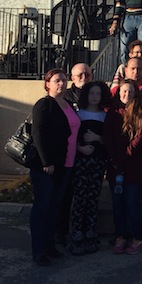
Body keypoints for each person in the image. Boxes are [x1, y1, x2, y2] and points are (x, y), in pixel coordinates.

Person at [30, 68, 81, 266]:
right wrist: (46, 162)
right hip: (47, 167)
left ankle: (50, 246)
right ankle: (39, 251)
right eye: (56, 80)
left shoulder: (67, 104)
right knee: (42, 208)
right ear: (48, 84)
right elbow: (38, 133)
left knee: (55, 208)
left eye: (63, 80)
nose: (61, 83)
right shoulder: (44, 105)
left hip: (66, 163)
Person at [104, 79, 142, 255]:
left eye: (130, 92)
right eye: (124, 91)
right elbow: (107, 137)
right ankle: (121, 236)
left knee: (133, 203)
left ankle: (139, 238)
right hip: (115, 166)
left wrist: (125, 155)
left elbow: (139, 138)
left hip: (134, 166)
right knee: (118, 204)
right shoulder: (112, 113)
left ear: (135, 94)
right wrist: (115, 158)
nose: (127, 95)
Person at [69, 81, 111, 256]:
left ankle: (90, 232)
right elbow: (72, 138)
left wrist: (97, 138)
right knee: (80, 197)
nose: (95, 97)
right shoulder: (78, 115)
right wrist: (80, 148)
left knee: (93, 197)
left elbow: (109, 140)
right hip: (81, 161)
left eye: (98, 94)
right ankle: (77, 233)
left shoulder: (105, 116)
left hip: (98, 161)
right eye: (92, 93)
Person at [57, 62, 92, 247]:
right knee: (66, 195)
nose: (84, 77)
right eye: (80, 74)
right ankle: (61, 233)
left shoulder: (96, 95)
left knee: (87, 196)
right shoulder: (66, 98)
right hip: (70, 155)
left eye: (87, 74)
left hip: (92, 156)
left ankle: (85, 231)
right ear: (72, 77)